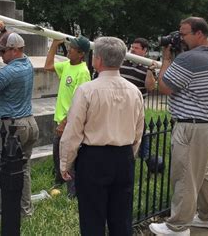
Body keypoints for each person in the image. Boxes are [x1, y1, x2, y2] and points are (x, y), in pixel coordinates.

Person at [60, 37, 145, 235]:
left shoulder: (87, 91)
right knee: (122, 217)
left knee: (92, 217)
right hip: (123, 157)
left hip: (94, 159)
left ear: (97, 60)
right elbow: (138, 131)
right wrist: (128, 155)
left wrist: (66, 163)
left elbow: (73, 131)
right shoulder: (134, 91)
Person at [149, 17, 208, 235]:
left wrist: (166, 58)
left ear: (199, 33)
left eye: (184, 34)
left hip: (192, 127)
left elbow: (164, 86)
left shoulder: (190, 59)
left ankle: (178, 226)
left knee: (185, 176)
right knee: (203, 174)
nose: (179, 37)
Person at [0, 21, 39, 217]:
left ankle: (4, 211)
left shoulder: (10, 71)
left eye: (3, 51)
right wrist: (4, 31)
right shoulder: (26, 62)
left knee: (4, 169)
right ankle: (25, 211)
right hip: (29, 123)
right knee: (23, 169)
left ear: (13, 51)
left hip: (12, 127)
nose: (0, 55)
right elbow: (16, 42)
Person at [44, 36, 91, 196]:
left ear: (81, 54)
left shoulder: (83, 72)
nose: (69, 50)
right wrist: (54, 45)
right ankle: (59, 182)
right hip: (61, 119)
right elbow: (48, 65)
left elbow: (79, 102)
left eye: (73, 48)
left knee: (68, 156)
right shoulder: (66, 65)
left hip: (70, 122)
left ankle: (73, 192)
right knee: (57, 153)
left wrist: (65, 122)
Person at [120, 38, 156, 161]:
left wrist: (150, 71)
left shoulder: (147, 68)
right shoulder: (123, 62)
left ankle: (137, 159)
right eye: (132, 47)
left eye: (136, 48)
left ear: (144, 50)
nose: (133, 50)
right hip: (117, 107)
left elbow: (150, 87)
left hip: (134, 111)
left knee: (134, 139)